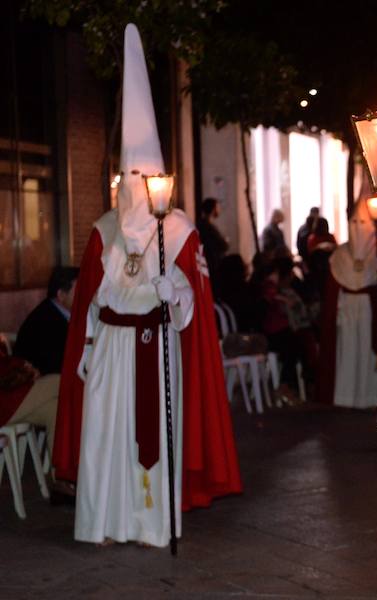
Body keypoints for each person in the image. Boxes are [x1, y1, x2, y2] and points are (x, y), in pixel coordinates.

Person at [52, 24, 241, 548]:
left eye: (143, 177)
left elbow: (191, 311)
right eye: (127, 177)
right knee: (106, 436)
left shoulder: (178, 230)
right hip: (112, 350)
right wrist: (88, 345)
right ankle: (104, 521)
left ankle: (150, 522)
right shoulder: (103, 231)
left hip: (157, 348)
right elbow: (90, 301)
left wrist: (172, 292)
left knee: (155, 434)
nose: (132, 187)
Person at [318, 199, 377, 408]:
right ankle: (345, 397)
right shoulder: (340, 254)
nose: (359, 228)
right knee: (348, 352)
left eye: (363, 223)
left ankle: (369, 397)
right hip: (347, 311)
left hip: (371, 310)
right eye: (355, 223)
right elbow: (333, 289)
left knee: (368, 354)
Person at [14, 266, 79, 375]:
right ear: (61, 295)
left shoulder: (58, 311)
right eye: (79, 291)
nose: (85, 295)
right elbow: (58, 364)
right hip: (44, 385)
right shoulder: (44, 321)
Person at [197, 197, 228, 286]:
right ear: (213, 209)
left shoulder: (202, 225)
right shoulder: (208, 227)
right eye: (217, 207)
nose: (219, 209)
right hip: (212, 265)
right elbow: (223, 245)